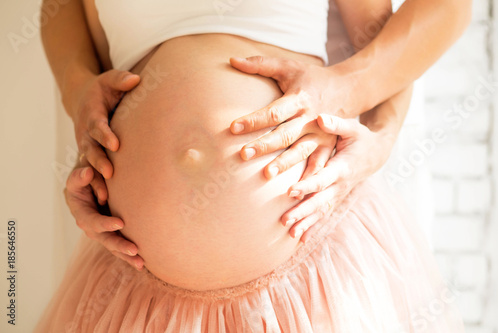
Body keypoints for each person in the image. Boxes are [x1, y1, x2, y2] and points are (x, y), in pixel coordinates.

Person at [36, 0, 470, 331]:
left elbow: (436, 14)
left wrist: (380, 136)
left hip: (312, 280)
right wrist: (77, 93)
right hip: (131, 292)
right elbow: (59, 9)